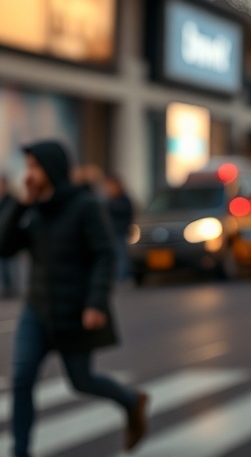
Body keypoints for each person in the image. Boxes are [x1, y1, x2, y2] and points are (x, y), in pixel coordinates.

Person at [0, 141, 149, 456]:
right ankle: (20, 451)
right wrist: (21, 204)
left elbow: (105, 255)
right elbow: (4, 246)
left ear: (52, 168)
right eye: (27, 167)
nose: (30, 174)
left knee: (82, 381)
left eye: (35, 167)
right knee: (23, 378)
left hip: (75, 310)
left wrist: (95, 303)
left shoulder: (84, 205)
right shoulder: (33, 208)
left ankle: (131, 401)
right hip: (37, 309)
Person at [102, 174, 135, 282]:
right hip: (112, 233)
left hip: (121, 232)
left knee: (122, 256)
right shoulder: (109, 200)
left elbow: (125, 213)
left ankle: (122, 277)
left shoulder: (123, 200)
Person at [1, 175, 19, 298]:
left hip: (10, 235)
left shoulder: (11, 199)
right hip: (3, 235)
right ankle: (7, 286)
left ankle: (11, 286)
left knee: (10, 264)